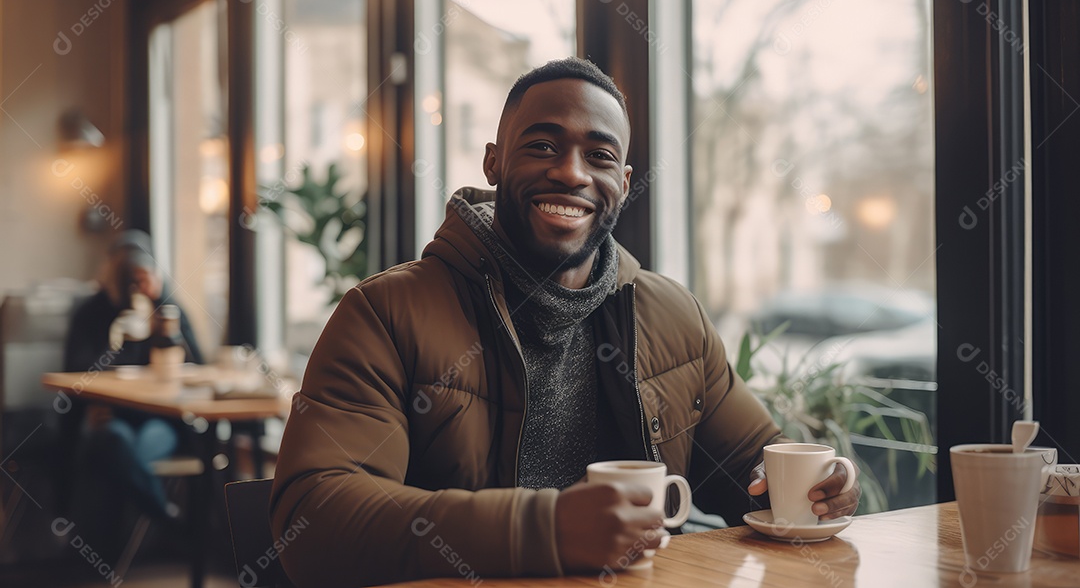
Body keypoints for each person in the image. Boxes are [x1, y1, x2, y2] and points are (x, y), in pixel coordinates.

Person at [270, 57, 860, 586]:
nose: (571, 173)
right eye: (543, 146)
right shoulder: (385, 313)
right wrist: (543, 529)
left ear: (623, 186)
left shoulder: (673, 315)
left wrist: (821, 487)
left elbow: (752, 466)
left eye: (599, 156)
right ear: (494, 161)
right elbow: (315, 521)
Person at [63, 230, 203, 529]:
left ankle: (145, 526)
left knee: (132, 453)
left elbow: (196, 364)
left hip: (159, 418)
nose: (135, 284)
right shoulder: (91, 313)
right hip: (109, 416)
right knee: (117, 441)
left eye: (142, 274)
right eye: (127, 274)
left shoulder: (165, 309)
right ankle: (169, 519)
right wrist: (118, 336)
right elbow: (78, 371)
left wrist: (165, 316)